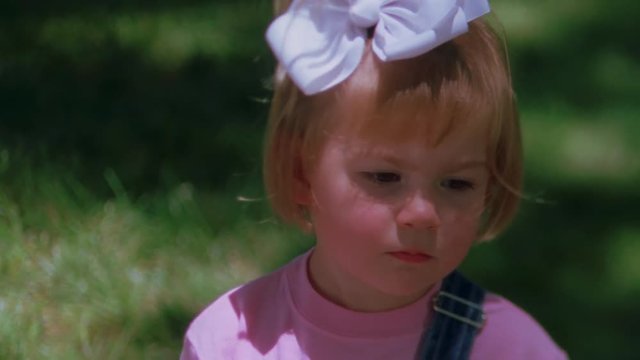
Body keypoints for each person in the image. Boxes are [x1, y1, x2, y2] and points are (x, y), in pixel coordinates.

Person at [181, 0, 568, 358]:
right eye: (385, 177)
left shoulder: (510, 348)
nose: (422, 213)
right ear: (301, 171)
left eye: (456, 184)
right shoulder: (231, 342)